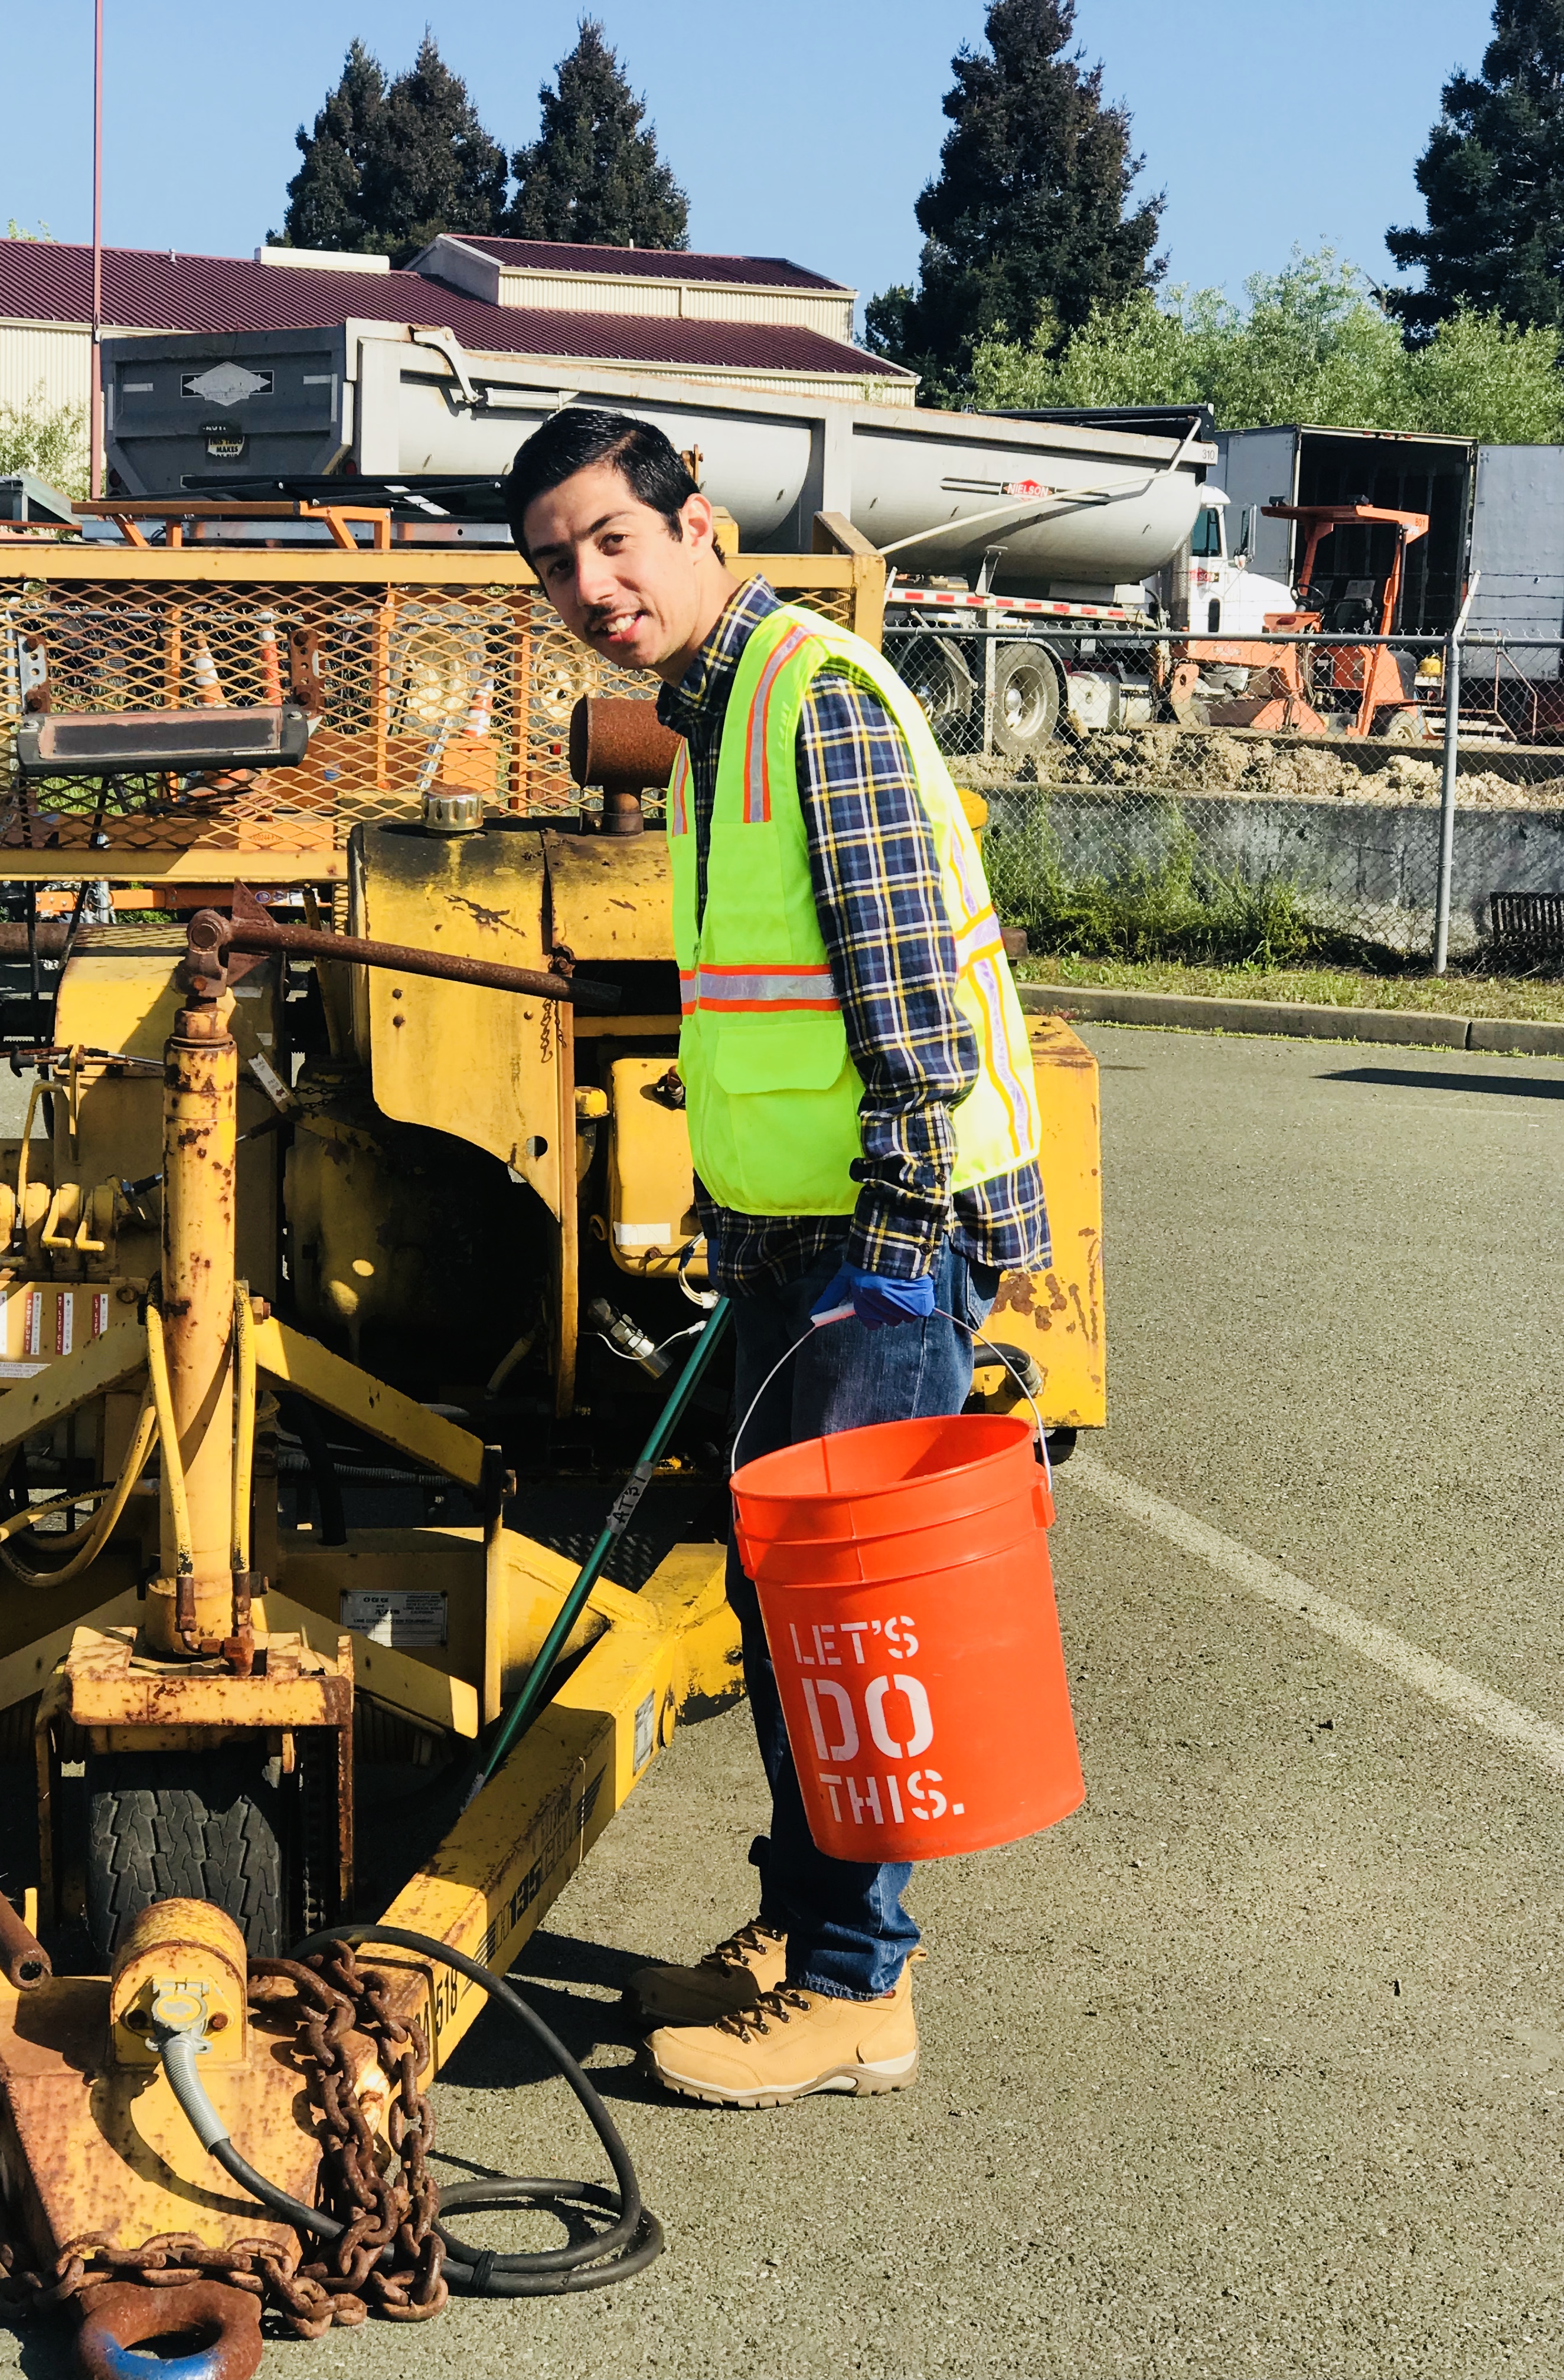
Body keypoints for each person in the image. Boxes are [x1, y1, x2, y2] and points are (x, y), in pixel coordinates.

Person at [506, 409, 1051, 2108]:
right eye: (556, 566)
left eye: (616, 540)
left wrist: (890, 1253)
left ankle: (854, 1993)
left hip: (876, 1244)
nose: (595, 588)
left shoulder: (807, 700)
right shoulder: (717, 712)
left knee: (856, 1626)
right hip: (793, 1240)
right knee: (784, 1607)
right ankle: (804, 1925)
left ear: (700, 525)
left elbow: (911, 1011)